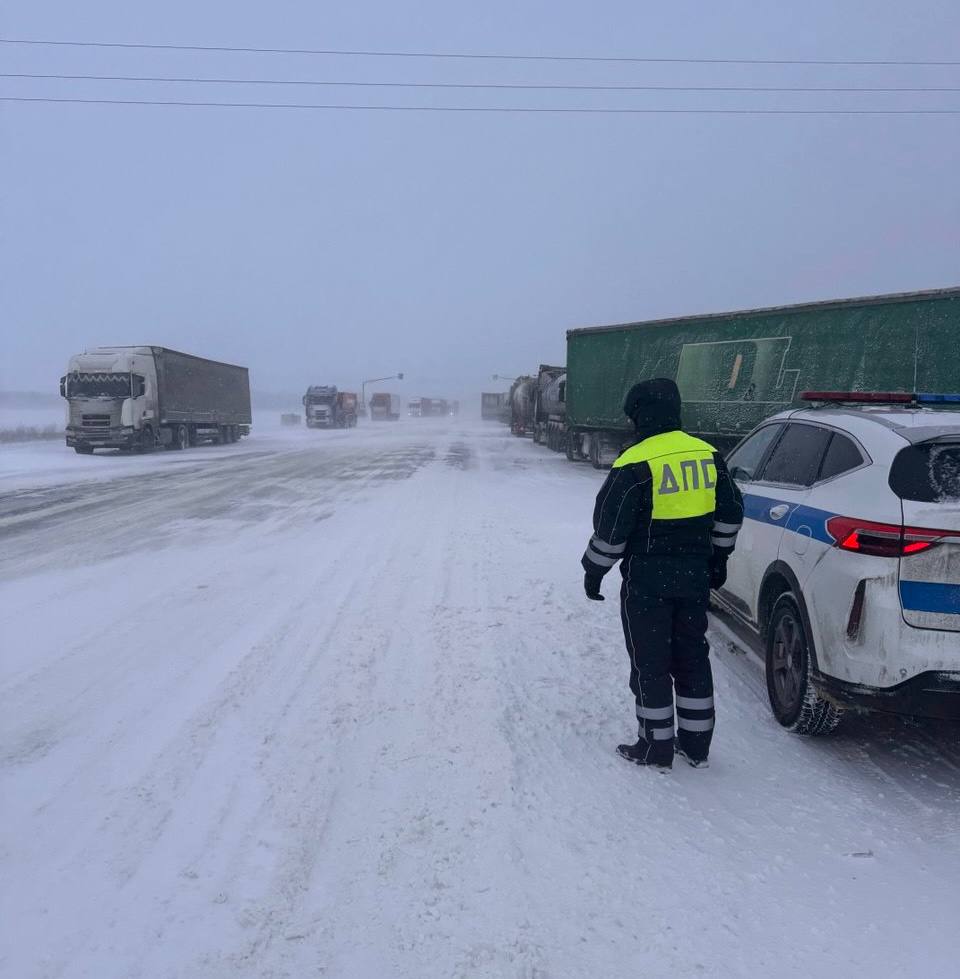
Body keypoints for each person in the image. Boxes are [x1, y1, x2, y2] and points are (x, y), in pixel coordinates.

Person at [581, 378, 743, 770]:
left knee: (651, 661)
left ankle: (655, 747)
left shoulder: (634, 462)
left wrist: (594, 571)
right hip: (693, 578)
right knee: (691, 656)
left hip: (648, 581)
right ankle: (697, 745)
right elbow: (731, 512)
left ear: (639, 416)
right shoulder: (708, 454)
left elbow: (611, 528)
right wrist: (719, 559)